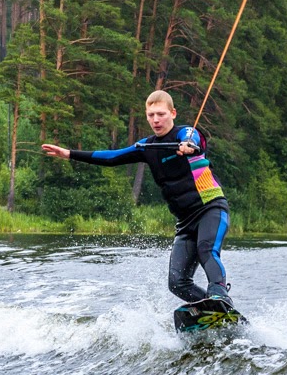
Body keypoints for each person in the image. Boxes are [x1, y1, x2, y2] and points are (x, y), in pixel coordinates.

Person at [41, 90, 233, 306]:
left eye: (161, 114)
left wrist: (187, 145)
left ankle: (219, 295)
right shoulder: (147, 146)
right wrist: (70, 154)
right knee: (177, 283)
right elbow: (112, 157)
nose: (156, 120)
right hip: (185, 222)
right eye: (151, 115)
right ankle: (212, 307)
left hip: (211, 208)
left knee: (206, 249)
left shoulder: (186, 134)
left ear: (173, 113)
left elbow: (192, 137)